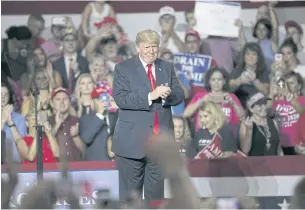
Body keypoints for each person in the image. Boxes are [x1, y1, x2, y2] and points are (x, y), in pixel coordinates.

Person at [112, 29, 184, 201]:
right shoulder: (123, 68)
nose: (152, 51)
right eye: (147, 47)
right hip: (132, 143)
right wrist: (151, 96)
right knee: (131, 197)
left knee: (155, 197)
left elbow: (179, 94)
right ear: (138, 47)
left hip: (159, 144)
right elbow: (121, 99)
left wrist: (168, 96)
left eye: (155, 47)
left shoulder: (166, 67)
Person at [79, 86, 118, 161]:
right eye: (99, 98)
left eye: (106, 97)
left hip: (117, 166)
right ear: (92, 101)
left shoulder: (117, 116)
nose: (103, 101)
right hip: (97, 167)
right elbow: (86, 138)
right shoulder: (85, 119)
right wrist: (100, 114)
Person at [239, 92, 282, 156]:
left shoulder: (273, 123)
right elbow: (245, 150)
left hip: (274, 163)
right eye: (260, 105)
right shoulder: (245, 124)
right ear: (251, 109)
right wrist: (249, 130)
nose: (264, 107)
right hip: (256, 164)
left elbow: (278, 148)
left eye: (264, 104)